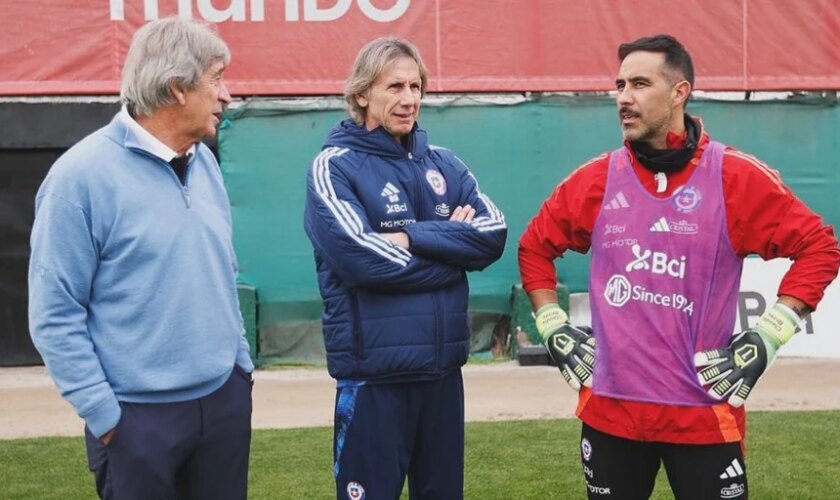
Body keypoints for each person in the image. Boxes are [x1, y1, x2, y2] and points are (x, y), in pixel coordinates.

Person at [518, 34, 840, 499]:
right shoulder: (595, 180)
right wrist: (552, 325)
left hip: (704, 416)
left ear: (679, 93)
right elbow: (534, 248)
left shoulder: (734, 176)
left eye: (640, 84)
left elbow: (819, 247)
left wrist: (769, 335)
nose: (624, 97)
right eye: (620, 84)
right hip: (611, 414)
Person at [28, 17, 254, 500]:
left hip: (223, 403)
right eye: (216, 79)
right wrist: (107, 419)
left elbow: (222, 271)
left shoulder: (205, 163)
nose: (227, 95)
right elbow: (54, 314)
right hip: (137, 422)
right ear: (176, 88)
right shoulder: (79, 179)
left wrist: (240, 370)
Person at [304, 37, 507, 499]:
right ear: (361, 94)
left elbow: (492, 234)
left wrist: (412, 237)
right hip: (375, 380)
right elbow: (362, 259)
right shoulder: (333, 168)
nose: (409, 98)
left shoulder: (445, 163)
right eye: (394, 86)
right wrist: (452, 255)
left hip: (441, 377)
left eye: (416, 86)